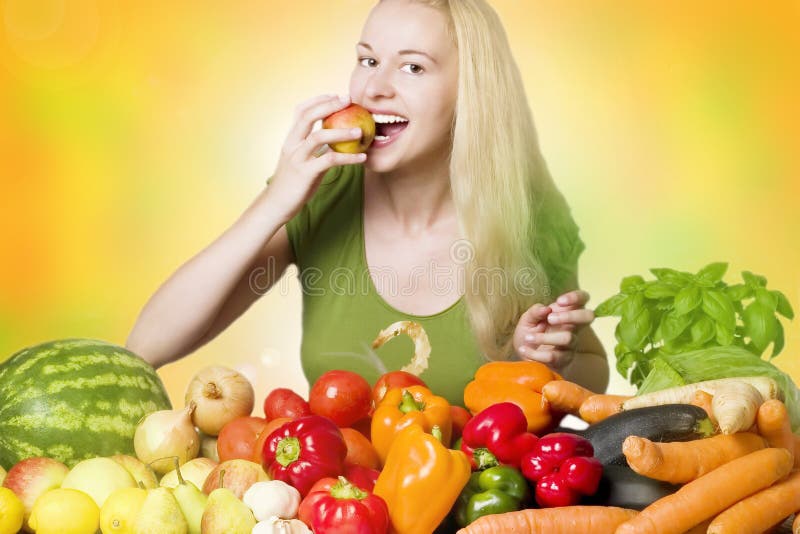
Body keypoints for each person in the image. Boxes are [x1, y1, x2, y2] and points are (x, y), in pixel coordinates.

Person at [126, 0, 609, 407]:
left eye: (413, 66)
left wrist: (543, 363)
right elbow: (147, 345)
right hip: (337, 504)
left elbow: (592, 373)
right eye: (368, 59)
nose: (374, 88)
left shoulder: (530, 214)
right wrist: (274, 205)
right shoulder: (323, 192)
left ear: (470, 93)